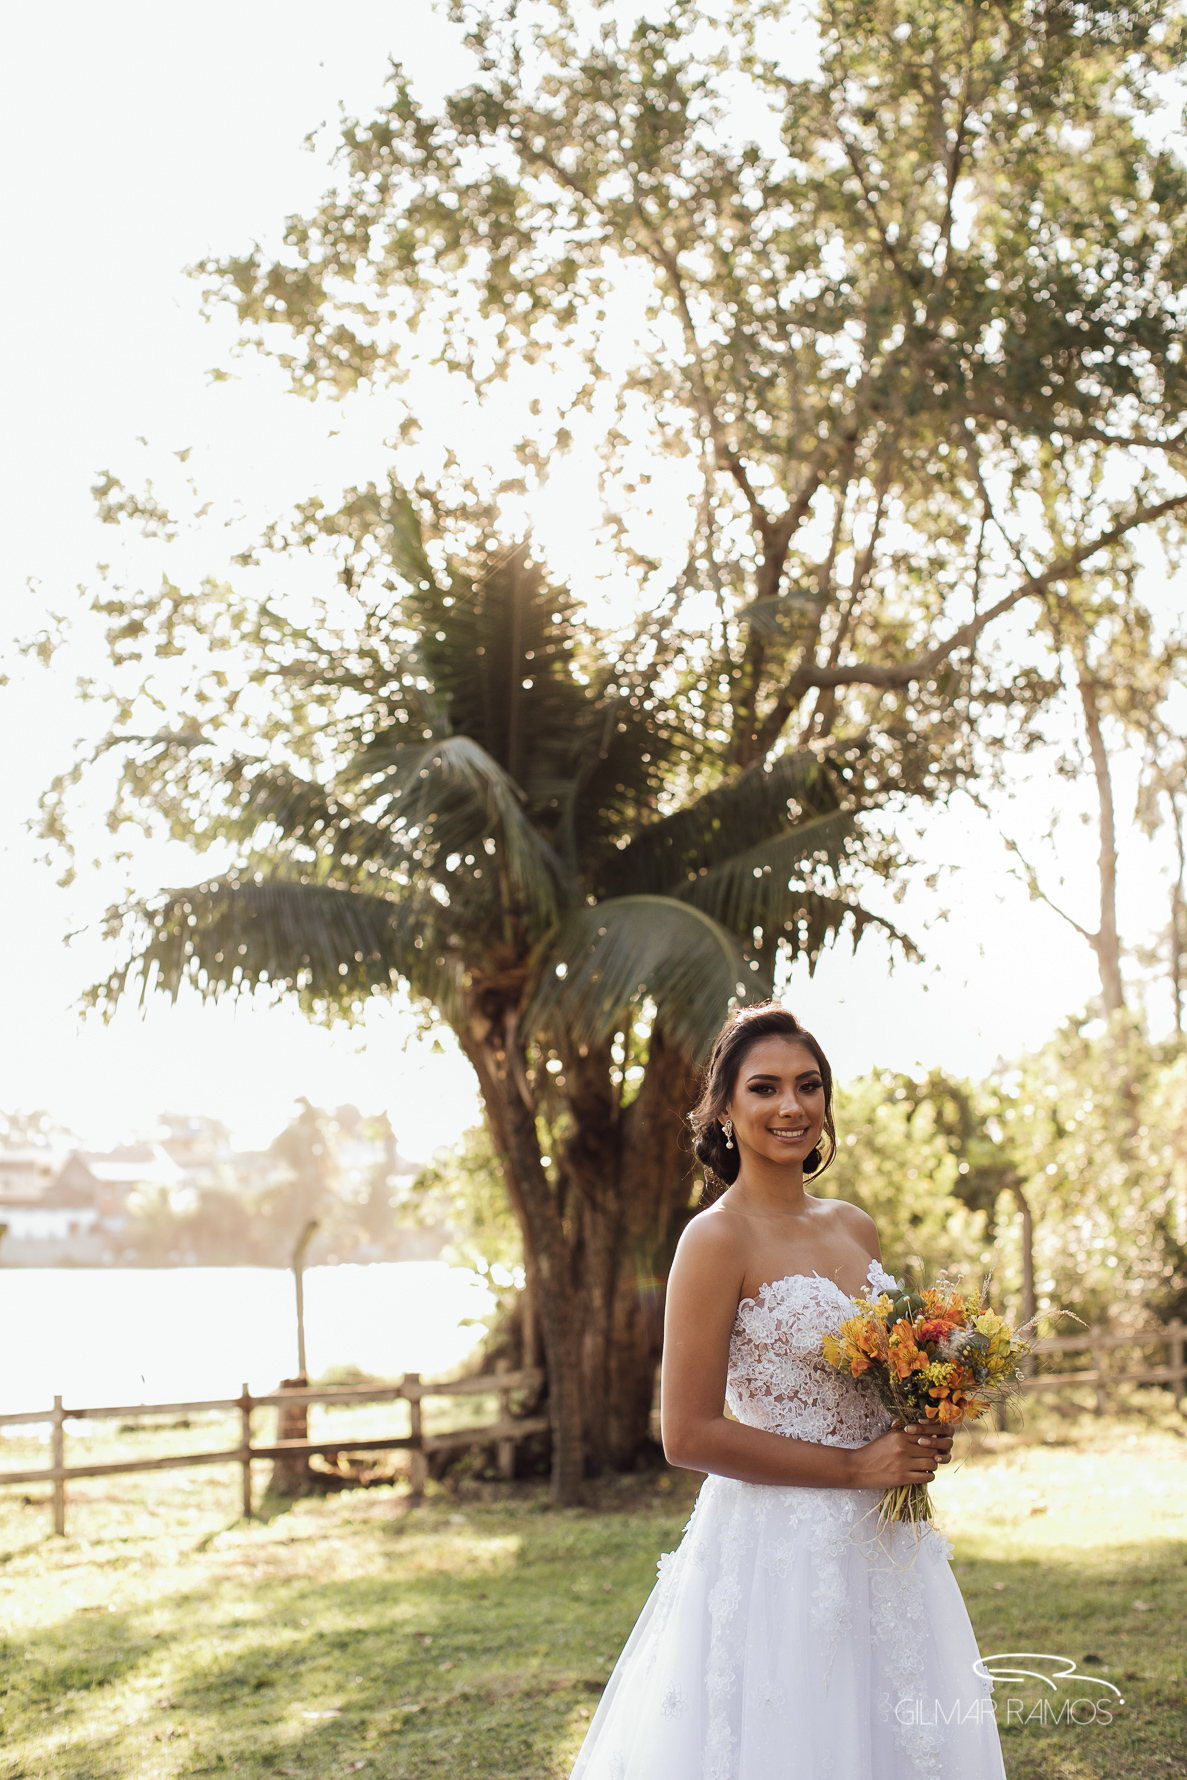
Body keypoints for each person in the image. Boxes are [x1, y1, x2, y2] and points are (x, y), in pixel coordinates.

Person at [570, 1003, 1006, 1780]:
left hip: (885, 1541)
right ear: (725, 1111)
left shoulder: (853, 1227)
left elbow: (878, 1374)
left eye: (808, 1086)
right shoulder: (713, 1239)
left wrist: (924, 1419)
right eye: (764, 1088)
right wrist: (849, 1469)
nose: (791, 1106)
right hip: (776, 1547)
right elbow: (688, 1434)